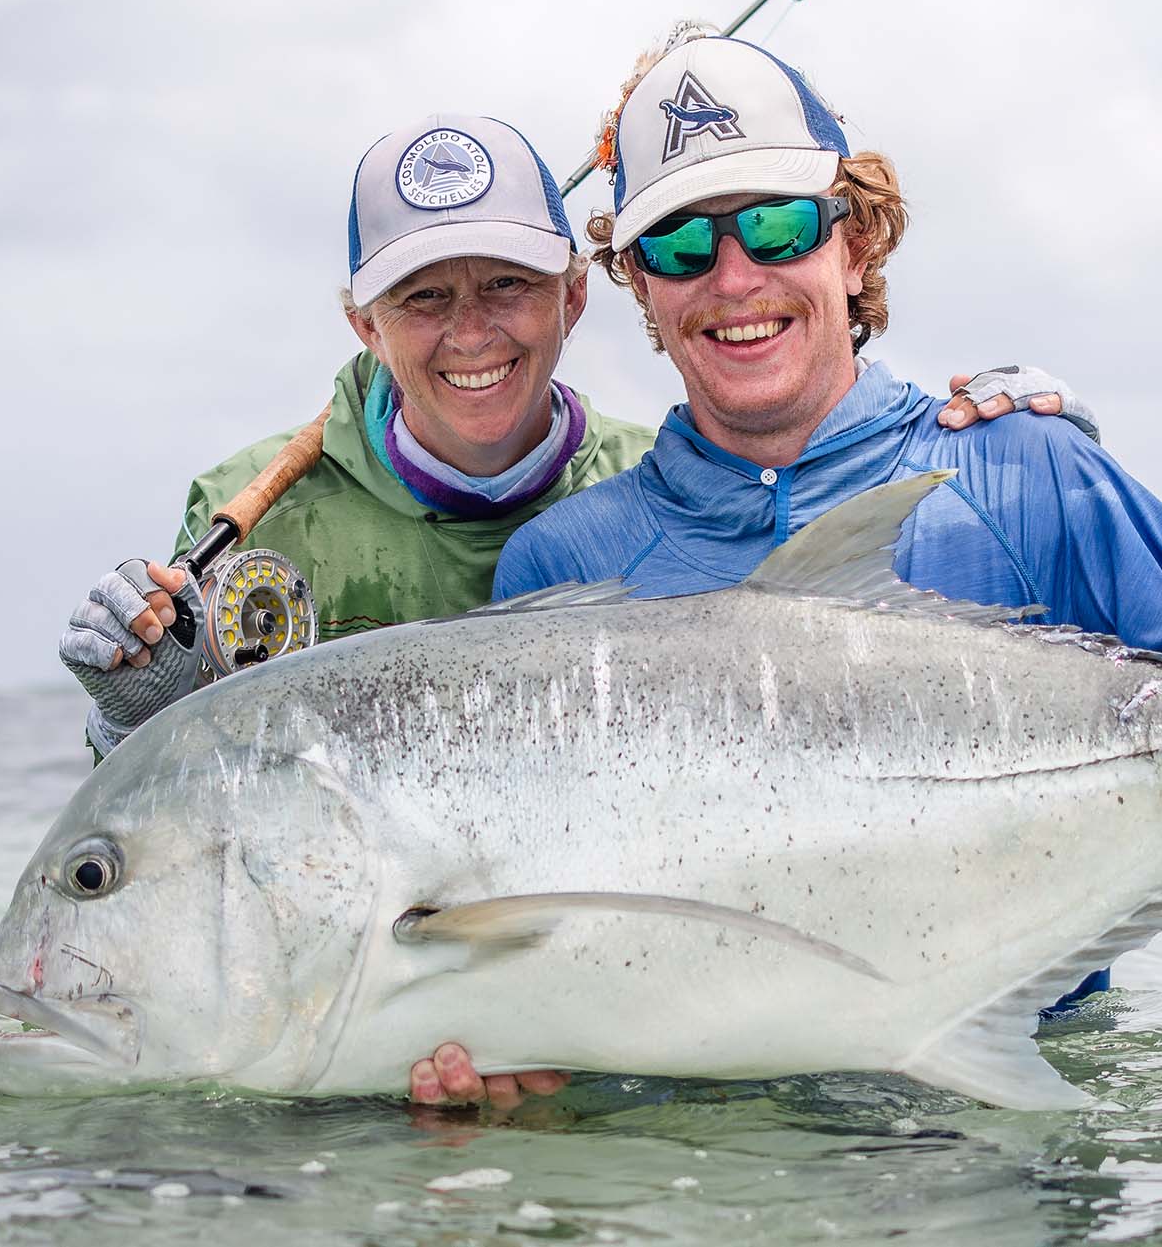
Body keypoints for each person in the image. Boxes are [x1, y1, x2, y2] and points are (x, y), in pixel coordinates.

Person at [55, 110, 1089, 1110]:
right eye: (421, 298)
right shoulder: (255, 517)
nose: (471, 330)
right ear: (361, 323)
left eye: (506, 284)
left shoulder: (665, 493)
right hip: (342, 1022)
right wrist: (132, 707)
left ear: (574, 296)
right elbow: (188, 815)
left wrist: (1010, 447)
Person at [491, 32, 1162, 1028]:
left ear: (853, 242)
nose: (734, 278)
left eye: (777, 226)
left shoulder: (1036, 478)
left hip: (1008, 1155)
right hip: (687, 1168)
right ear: (639, 283)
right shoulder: (562, 569)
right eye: (682, 245)